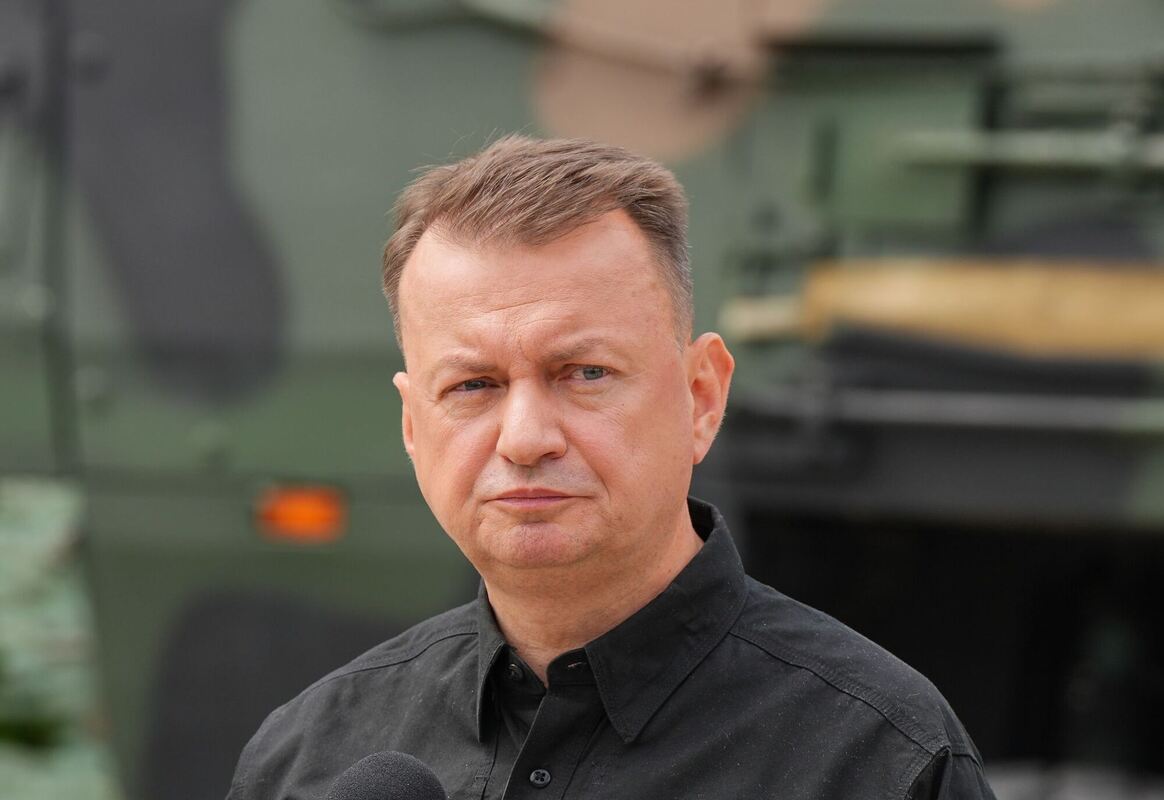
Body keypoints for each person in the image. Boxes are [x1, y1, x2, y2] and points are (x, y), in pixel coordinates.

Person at [226, 136, 996, 800]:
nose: (525, 439)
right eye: (473, 386)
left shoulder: (881, 760)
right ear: (411, 426)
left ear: (702, 397)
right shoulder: (306, 756)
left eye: (584, 373)